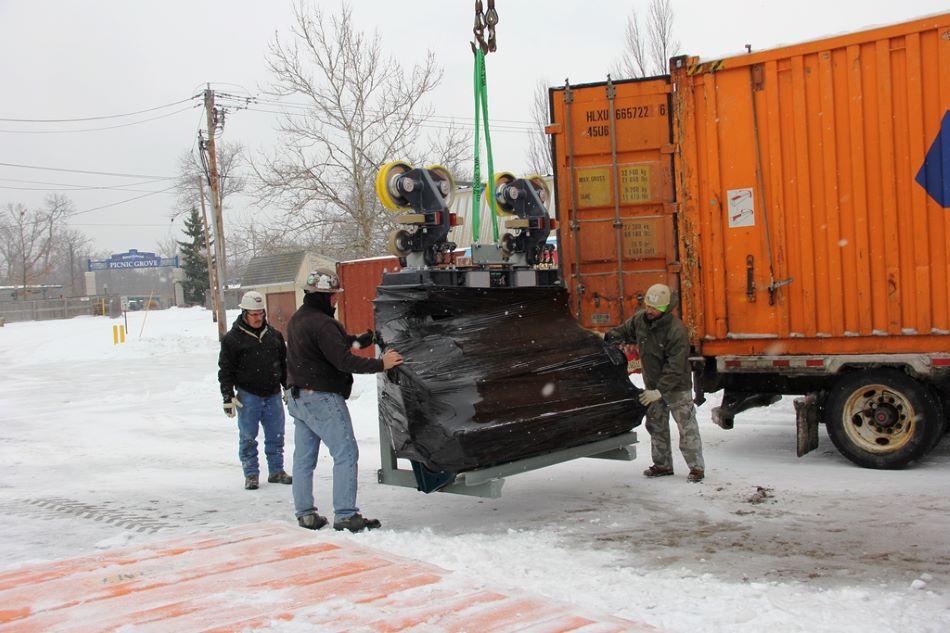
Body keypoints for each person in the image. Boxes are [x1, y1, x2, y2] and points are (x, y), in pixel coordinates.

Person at [286, 268, 404, 532]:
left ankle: (305, 514)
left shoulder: (299, 319)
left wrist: (358, 341)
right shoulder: (324, 323)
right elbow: (342, 361)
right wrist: (380, 364)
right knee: (346, 453)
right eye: (334, 296)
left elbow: (329, 347)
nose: (337, 301)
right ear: (326, 297)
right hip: (321, 398)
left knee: (304, 459)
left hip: (298, 398)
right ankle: (346, 515)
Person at [605, 283, 705, 482]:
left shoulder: (676, 331)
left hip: (676, 386)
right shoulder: (640, 321)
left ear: (665, 308)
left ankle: (696, 468)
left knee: (687, 426)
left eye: (655, 308)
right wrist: (604, 338)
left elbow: (675, 367)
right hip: (652, 385)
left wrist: (659, 391)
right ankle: (662, 465)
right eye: (648, 306)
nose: (649, 311)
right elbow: (623, 331)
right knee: (656, 425)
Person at [217, 290, 293, 490]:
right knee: (248, 437)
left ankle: (276, 470)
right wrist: (227, 395)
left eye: (261, 314)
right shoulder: (232, 339)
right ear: (244, 313)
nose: (258, 318)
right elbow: (226, 369)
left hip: (273, 394)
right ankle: (251, 473)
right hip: (248, 395)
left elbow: (284, 364)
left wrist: (287, 387)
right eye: (254, 314)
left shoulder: (274, 336)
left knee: (276, 435)